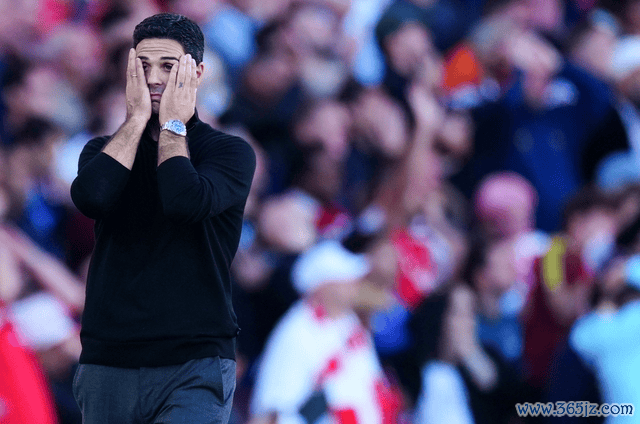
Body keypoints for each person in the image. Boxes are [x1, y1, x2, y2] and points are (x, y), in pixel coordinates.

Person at [69, 13, 255, 424]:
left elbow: (184, 201)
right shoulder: (102, 151)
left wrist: (172, 124)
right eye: (143, 66)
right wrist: (136, 119)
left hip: (195, 360)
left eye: (168, 66)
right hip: (108, 359)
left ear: (197, 73)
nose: (153, 78)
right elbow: (90, 197)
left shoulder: (228, 152)